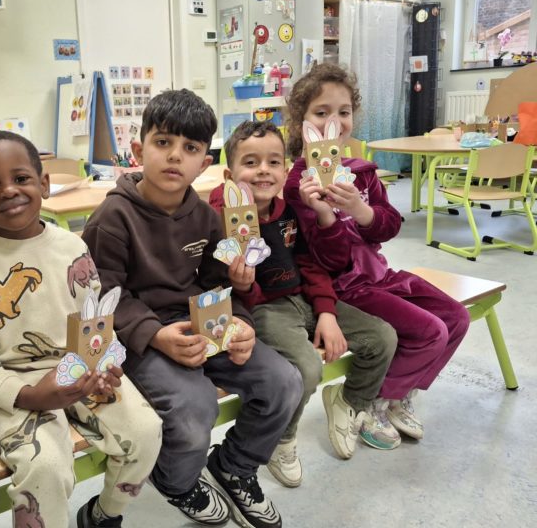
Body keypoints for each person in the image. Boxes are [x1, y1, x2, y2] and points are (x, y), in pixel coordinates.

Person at [82, 89, 302, 528]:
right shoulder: (112, 219)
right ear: (138, 149)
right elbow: (103, 296)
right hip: (137, 337)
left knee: (284, 382)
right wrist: (155, 335)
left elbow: (216, 282)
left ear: (204, 163)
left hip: (200, 324)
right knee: (194, 406)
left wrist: (239, 322)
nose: (174, 156)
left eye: (190, 148)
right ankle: (177, 482)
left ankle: (235, 465)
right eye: (163, 142)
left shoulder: (204, 216)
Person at [0, 131, 161, 528]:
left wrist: (106, 361)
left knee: (146, 431)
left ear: (43, 184)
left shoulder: (73, 247)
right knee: (45, 468)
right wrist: (29, 395)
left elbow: (96, 316)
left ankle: (104, 515)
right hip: (16, 387)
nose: (8, 190)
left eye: (21, 178)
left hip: (83, 369)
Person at [283, 63, 471, 447]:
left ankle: (397, 394)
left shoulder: (362, 172)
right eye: (321, 112)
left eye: (343, 112)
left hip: (380, 275)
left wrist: (360, 209)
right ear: (301, 122)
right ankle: (369, 402)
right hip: (345, 287)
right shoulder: (298, 186)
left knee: (456, 318)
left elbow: (389, 225)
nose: (333, 122)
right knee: (430, 331)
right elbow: (329, 261)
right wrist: (325, 214)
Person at [209, 120, 398, 488]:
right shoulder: (220, 221)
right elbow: (216, 283)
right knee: (308, 368)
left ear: (285, 171)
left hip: (305, 300)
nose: (263, 170)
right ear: (230, 174)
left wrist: (326, 311)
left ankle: (350, 402)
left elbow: (310, 264)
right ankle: (281, 439)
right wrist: (241, 285)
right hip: (264, 309)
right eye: (251, 162)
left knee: (382, 337)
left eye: (273, 162)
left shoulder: (289, 212)